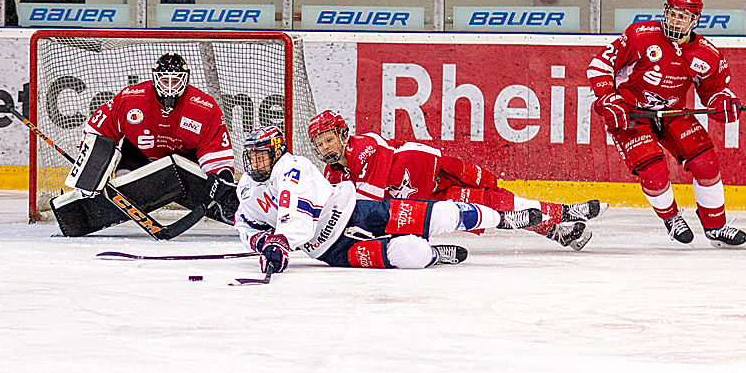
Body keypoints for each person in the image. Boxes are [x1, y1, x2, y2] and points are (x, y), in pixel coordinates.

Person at [214, 125, 573, 274]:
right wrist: (262, 241)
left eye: (328, 139)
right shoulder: (253, 187)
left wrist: (279, 241)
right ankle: (433, 255)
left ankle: (525, 217)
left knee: (459, 208)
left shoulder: (295, 168)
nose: (256, 163)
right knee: (405, 255)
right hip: (327, 250)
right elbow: (246, 224)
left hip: (409, 187)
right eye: (253, 157)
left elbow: (298, 219)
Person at [587, 0, 746, 249]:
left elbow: (714, 91)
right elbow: (599, 66)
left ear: (694, 20)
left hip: (673, 113)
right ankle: (672, 218)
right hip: (632, 114)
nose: (675, 21)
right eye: (672, 13)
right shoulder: (640, 36)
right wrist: (609, 98)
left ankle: (717, 228)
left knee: (706, 164)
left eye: (682, 16)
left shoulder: (706, 54)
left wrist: (722, 102)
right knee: (654, 174)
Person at [306, 110, 604, 250]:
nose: (324, 149)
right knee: (488, 208)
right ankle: (560, 225)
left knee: (493, 192)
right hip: (426, 200)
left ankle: (562, 215)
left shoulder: (364, 147)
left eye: (328, 140)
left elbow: (365, 205)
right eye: (319, 145)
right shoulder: (333, 174)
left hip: (436, 170)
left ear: (344, 135)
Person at [50, 52, 237, 237]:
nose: (170, 88)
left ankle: (247, 214)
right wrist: (91, 167)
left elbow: (215, 152)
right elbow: (99, 128)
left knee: (214, 187)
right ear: (155, 79)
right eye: (165, 81)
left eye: (176, 81)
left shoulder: (204, 108)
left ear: (185, 80)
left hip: (185, 159)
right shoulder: (131, 99)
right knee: (124, 181)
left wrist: (222, 179)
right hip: (139, 155)